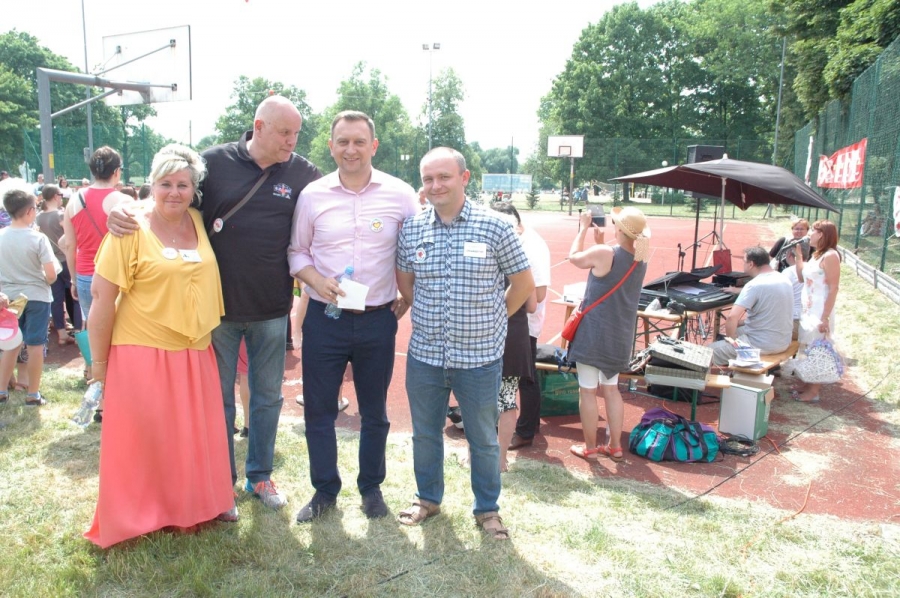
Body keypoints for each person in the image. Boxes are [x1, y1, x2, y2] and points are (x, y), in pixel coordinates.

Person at [108, 96, 322, 513]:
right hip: (215, 310)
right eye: (284, 132)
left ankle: (260, 476)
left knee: (267, 398)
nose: (291, 141)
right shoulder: (213, 163)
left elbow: (331, 206)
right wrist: (122, 208)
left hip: (272, 308)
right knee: (217, 401)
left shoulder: (302, 172)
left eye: (296, 133)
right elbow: (171, 194)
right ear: (259, 127)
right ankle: (220, 485)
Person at [84, 144, 234, 548]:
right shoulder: (130, 227)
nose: (174, 192)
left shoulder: (199, 220)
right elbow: (101, 297)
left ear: (194, 189)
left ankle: (188, 509)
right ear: (151, 184)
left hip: (195, 351)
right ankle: (138, 516)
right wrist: (99, 366)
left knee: (187, 440)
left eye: (183, 185)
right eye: (165, 184)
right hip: (142, 350)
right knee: (144, 441)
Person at [396, 147, 534, 540]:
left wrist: (494, 318)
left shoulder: (496, 227)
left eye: (444, 177)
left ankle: (487, 509)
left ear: (464, 177)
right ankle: (427, 499)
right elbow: (405, 282)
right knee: (425, 434)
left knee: (483, 439)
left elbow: (522, 284)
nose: (436, 185)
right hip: (425, 355)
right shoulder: (412, 229)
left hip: (479, 358)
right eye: (428, 179)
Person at [288, 110, 417, 522]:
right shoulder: (312, 195)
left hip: (378, 319)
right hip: (325, 318)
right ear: (331, 146)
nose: (351, 149)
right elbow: (297, 252)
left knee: (375, 411)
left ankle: (371, 488)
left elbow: (417, 249)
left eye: (359, 141)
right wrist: (316, 279)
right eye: (342, 141)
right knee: (319, 410)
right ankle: (325, 490)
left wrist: (407, 294)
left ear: (373, 146)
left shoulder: (401, 195)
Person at [566, 207, 649, 461]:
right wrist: (601, 244)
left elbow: (574, 258)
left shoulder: (605, 253)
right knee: (611, 390)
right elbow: (616, 267)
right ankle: (614, 446)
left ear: (619, 229)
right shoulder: (642, 256)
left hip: (593, 334)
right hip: (619, 335)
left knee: (587, 391)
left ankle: (590, 448)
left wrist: (583, 228)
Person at [492, 203, 551, 451]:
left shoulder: (530, 247)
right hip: (512, 327)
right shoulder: (517, 244)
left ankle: (525, 431)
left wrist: (503, 306)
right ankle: (521, 432)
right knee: (511, 388)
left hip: (518, 328)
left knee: (524, 381)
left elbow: (537, 297)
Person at [0, 183, 60, 405]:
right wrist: (46, 279)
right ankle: (33, 394)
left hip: (9, 298)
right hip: (37, 296)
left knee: (11, 344)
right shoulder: (38, 238)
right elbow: (51, 274)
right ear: (29, 211)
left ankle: (2, 390)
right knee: (35, 345)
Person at [710, 246, 794, 366]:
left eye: (744, 262)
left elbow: (732, 318)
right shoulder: (784, 279)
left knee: (706, 351)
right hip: (783, 342)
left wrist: (732, 342)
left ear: (751, 264)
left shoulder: (754, 285)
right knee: (737, 329)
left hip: (761, 346)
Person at [791, 220, 841, 403]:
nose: (809, 233)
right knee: (807, 345)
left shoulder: (831, 256)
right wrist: (798, 256)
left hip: (820, 310)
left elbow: (834, 288)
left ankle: (814, 391)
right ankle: (808, 383)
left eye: (813, 230)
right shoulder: (816, 255)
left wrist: (825, 317)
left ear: (822, 234)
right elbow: (801, 278)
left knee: (818, 347)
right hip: (808, 309)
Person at [36, 184, 82, 345]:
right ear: (56, 196)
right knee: (75, 296)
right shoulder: (60, 215)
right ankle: (79, 332)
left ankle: (61, 333)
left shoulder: (39, 217)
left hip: (52, 262)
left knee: (56, 298)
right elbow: (71, 236)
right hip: (66, 259)